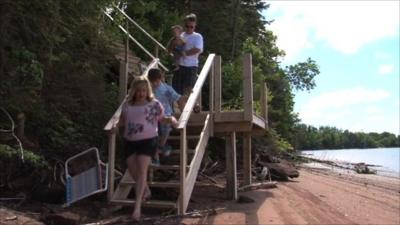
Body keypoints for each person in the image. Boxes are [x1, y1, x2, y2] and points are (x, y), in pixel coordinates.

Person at [115, 77, 178, 221]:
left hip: (148, 140)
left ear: (147, 91)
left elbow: (162, 118)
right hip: (130, 140)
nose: (141, 93)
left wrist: (172, 120)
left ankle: (137, 208)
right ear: (134, 91)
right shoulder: (128, 105)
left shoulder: (154, 104)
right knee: (132, 170)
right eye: (138, 91)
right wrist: (114, 127)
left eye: (144, 90)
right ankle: (146, 190)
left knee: (142, 171)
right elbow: (123, 121)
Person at [148, 68, 187, 164]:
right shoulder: (148, 88)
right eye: (152, 82)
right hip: (153, 116)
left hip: (166, 114)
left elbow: (177, 97)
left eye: (156, 82)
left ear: (160, 79)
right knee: (154, 136)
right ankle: (156, 157)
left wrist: (184, 108)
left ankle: (162, 145)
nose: (154, 84)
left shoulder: (166, 89)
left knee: (165, 130)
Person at [172, 13, 203, 97]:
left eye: (191, 27)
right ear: (184, 25)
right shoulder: (181, 35)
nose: (189, 28)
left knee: (189, 88)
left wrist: (184, 53)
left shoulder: (198, 36)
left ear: (195, 26)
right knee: (177, 89)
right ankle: (181, 107)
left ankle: (194, 105)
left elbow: (197, 49)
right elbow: (173, 47)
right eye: (187, 26)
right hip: (180, 65)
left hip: (191, 66)